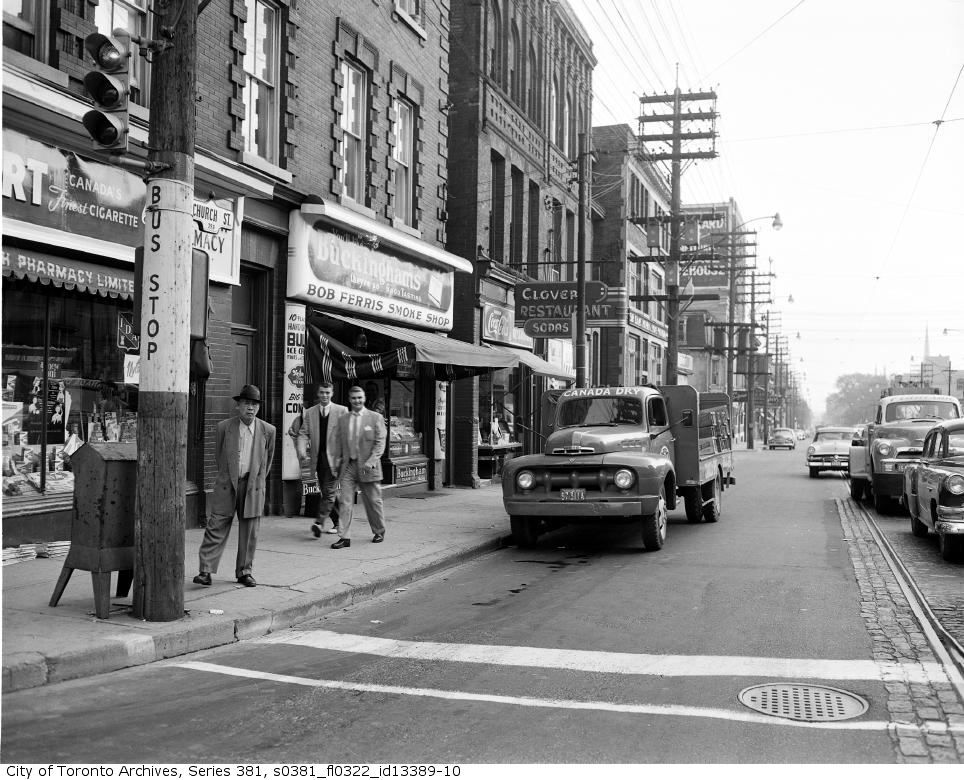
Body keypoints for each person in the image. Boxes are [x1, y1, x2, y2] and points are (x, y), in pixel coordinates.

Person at [193, 384, 276, 588]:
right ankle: (205, 571)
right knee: (216, 525)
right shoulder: (224, 427)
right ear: (238, 405)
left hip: (253, 485)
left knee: (250, 530)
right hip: (227, 483)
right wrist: (228, 477)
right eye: (246, 403)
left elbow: (267, 460)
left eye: (254, 404)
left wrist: (256, 481)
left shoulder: (268, 430)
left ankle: (244, 571)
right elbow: (218, 456)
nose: (251, 408)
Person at [330, 385, 386, 549]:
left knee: (373, 502)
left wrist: (372, 460)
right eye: (354, 398)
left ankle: (379, 531)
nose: (357, 401)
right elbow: (338, 443)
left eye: (360, 397)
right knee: (345, 501)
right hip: (349, 466)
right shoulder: (344, 419)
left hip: (368, 466)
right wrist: (335, 462)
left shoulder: (375, 418)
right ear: (350, 399)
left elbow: (380, 442)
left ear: (364, 398)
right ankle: (344, 537)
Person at [296, 382, 348, 537]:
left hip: (335, 460)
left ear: (332, 393)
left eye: (327, 392)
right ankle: (339, 522)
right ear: (318, 394)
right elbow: (303, 433)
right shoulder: (310, 413)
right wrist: (301, 450)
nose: (325, 395)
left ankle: (319, 522)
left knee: (328, 491)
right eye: (322, 392)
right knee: (327, 491)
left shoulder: (342, 411)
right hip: (318, 459)